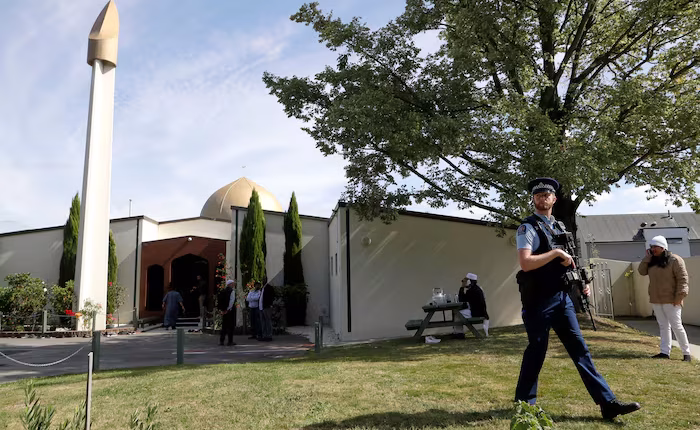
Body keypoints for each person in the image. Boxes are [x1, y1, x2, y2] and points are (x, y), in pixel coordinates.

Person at [514, 177, 640, 421]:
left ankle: (607, 403)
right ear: (533, 199)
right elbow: (525, 263)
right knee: (536, 351)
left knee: (581, 350)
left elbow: (571, 260)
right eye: (537, 195)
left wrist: (582, 283)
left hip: (562, 299)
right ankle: (524, 405)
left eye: (546, 195)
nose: (541, 198)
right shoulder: (527, 228)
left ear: (554, 199)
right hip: (538, 301)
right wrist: (555, 253)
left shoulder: (560, 227)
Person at [638, 235, 691, 362]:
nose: (653, 249)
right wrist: (647, 258)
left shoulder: (675, 260)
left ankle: (686, 353)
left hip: (672, 300)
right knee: (663, 326)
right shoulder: (651, 261)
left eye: (655, 247)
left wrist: (680, 297)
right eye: (651, 247)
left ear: (663, 247)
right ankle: (664, 352)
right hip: (656, 299)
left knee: (677, 326)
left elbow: (683, 280)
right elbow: (641, 271)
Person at [217, 279, 237, 346]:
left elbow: (220, 301)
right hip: (229, 311)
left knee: (224, 326)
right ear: (230, 284)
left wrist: (223, 310)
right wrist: (228, 309)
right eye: (233, 283)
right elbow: (231, 301)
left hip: (224, 310)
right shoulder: (232, 291)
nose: (233, 285)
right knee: (230, 326)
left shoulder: (223, 291)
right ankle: (230, 341)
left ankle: (221, 341)